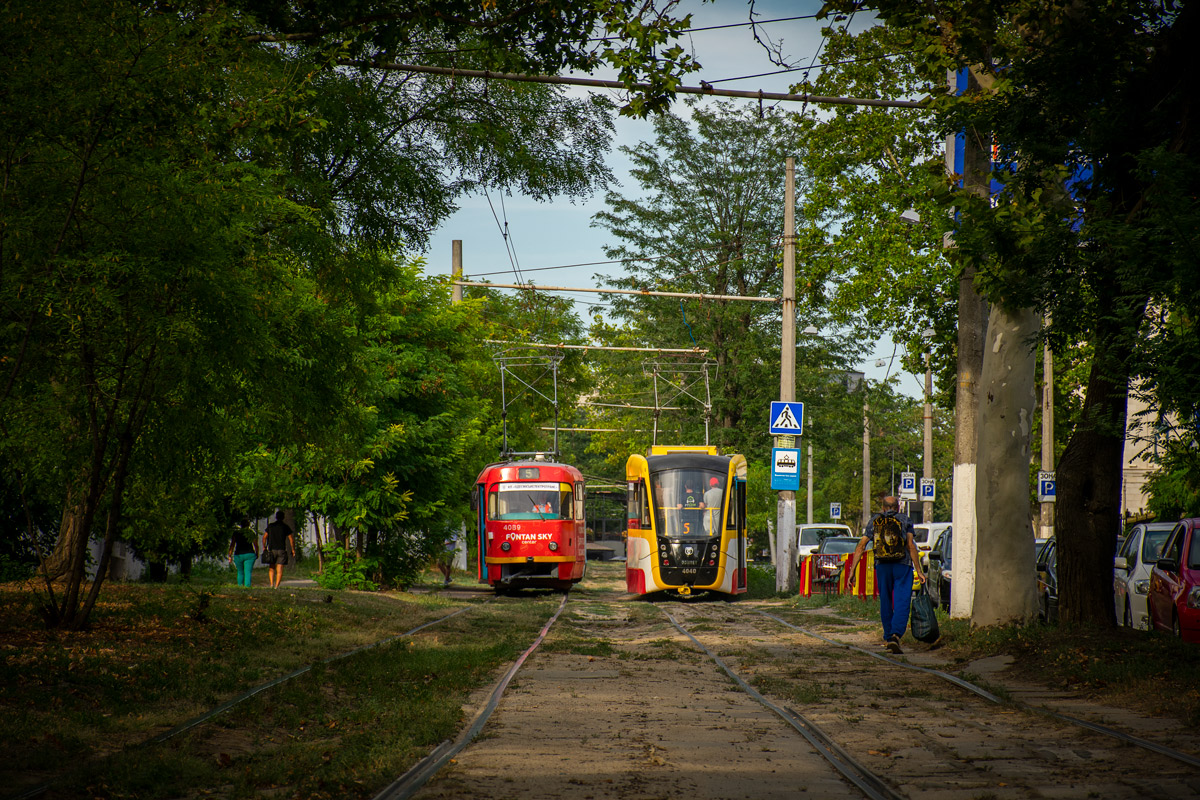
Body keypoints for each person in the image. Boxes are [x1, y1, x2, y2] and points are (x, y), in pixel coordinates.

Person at [846, 495, 926, 654]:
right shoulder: (905, 520)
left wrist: (852, 572)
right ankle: (896, 635)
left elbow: (861, 546)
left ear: (883, 508)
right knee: (902, 600)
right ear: (897, 507)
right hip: (902, 565)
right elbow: (910, 546)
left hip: (882, 566)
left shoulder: (875, 521)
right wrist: (919, 570)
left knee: (886, 600)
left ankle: (889, 636)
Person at [262, 511, 295, 590]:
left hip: (271, 549)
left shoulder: (270, 526)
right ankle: (276, 586)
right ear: (283, 517)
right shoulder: (285, 526)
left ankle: (271, 584)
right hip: (281, 550)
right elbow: (291, 539)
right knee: (279, 569)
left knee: (271, 567)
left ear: (276, 517)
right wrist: (293, 549)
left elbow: (264, 537)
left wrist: (264, 546)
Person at [228, 516, 258, 588]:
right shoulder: (251, 533)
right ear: (248, 525)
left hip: (238, 554)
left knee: (240, 572)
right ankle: (247, 586)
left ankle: (240, 586)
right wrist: (257, 552)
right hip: (249, 554)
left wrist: (230, 554)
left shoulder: (236, 533)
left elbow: (232, 544)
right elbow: (256, 544)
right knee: (248, 572)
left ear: (241, 525)